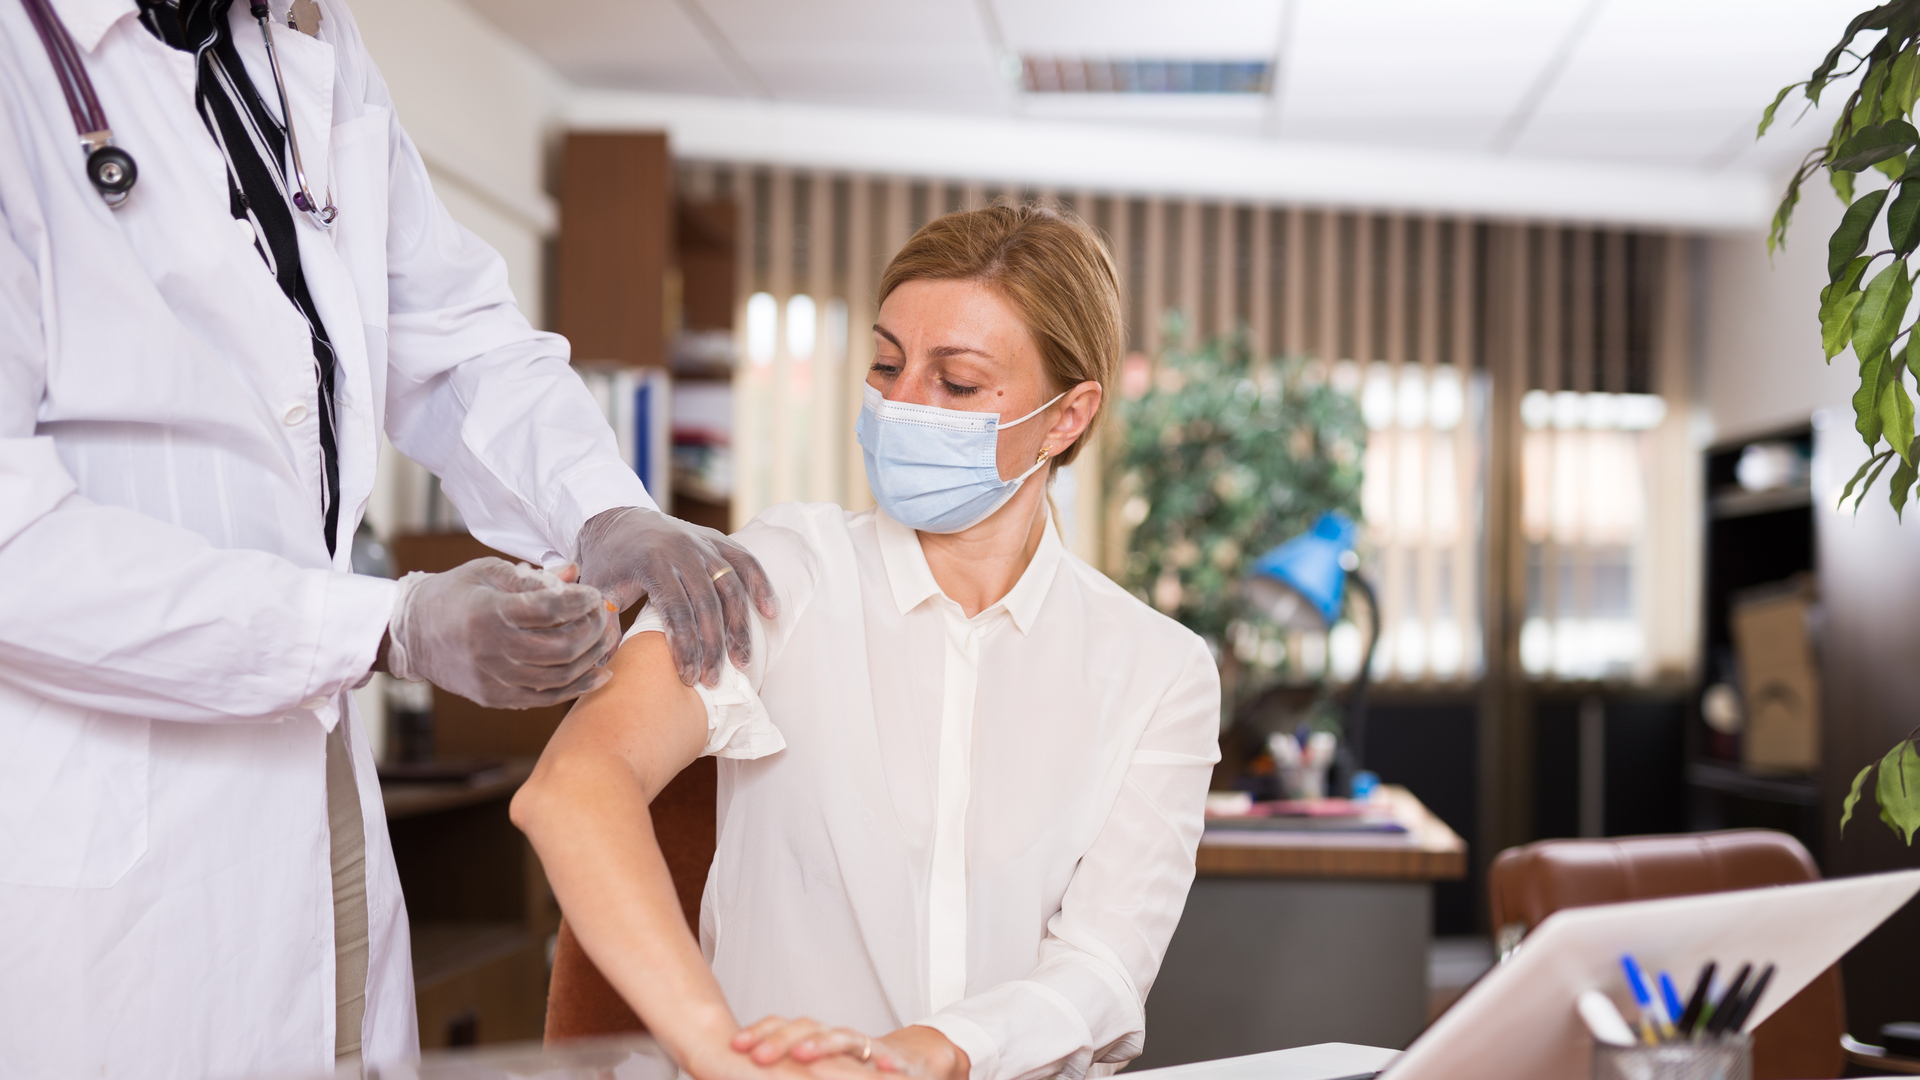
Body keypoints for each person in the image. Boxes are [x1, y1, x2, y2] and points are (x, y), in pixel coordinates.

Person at [0, 0, 773, 1075]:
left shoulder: (303, 43)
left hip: (311, 773)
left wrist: (603, 508)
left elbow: (458, 341)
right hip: (94, 793)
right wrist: (386, 626)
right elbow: (14, 547)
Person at [513, 205, 1222, 1080]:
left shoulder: (1157, 670)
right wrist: (719, 1055)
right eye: (888, 365)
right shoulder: (782, 574)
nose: (902, 406)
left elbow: (1103, 969)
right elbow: (573, 788)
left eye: (956, 384)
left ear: (1066, 418)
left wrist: (923, 1056)